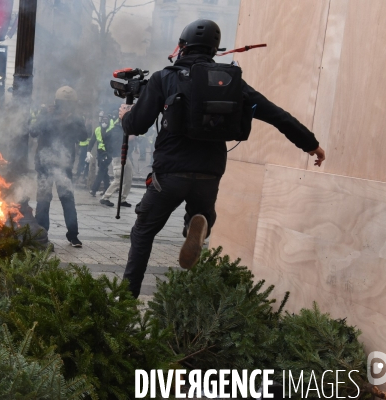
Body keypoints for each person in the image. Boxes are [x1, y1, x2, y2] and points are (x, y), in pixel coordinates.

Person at [119, 19, 326, 298]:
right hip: (209, 174)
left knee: (143, 232)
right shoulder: (231, 83)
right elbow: (277, 115)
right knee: (201, 214)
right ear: (215, 51)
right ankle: (196, 222)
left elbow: (137, 125)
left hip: (169, 175)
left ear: (182, 46)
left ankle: (126, 299)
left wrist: (125, 116)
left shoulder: (164, 78)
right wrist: (310, 144)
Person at [29, 86, 88, 248]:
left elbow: (84, 136)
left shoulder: (75, 119)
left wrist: (73, 120)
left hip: (64, 164)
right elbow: (33, 131)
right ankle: (42, 234)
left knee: (67, 198)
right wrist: (45, 116)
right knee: (43, 199)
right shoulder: (46, 115)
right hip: (44, 164)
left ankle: (73, 235)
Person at [99, 113, 134, 208]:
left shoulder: (122, 130)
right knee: (118, 179)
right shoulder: (116, 131)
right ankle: (105, 198)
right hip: (118, 157)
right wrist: (129, 138)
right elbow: (119, 143)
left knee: (128, 178)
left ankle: (122, 199)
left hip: (126, 156)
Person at [88, 111, 115, 196]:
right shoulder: (98, 129)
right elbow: (92, 140)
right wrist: (88, 151)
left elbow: (113, 143)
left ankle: (94, 189)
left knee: (101, 171)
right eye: (103, 120)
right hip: (100, 153)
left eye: (106, 120)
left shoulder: (112, 130)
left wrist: (108, 154)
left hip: (107, 154)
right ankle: (107, 189)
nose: (104, 122)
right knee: (104, 171)